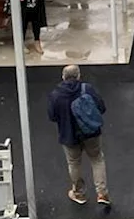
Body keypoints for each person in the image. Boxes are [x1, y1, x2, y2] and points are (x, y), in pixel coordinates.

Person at [47, 64, 110, 207]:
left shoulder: (56, 95)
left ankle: (79, 193)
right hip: (91, 133)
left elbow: (52, 116)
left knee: (74, 163)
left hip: (69, 136)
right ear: (79, 76)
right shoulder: (87, 89)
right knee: (97, 159)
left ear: (63, 77)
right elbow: (101, 107)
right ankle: (102, 193)